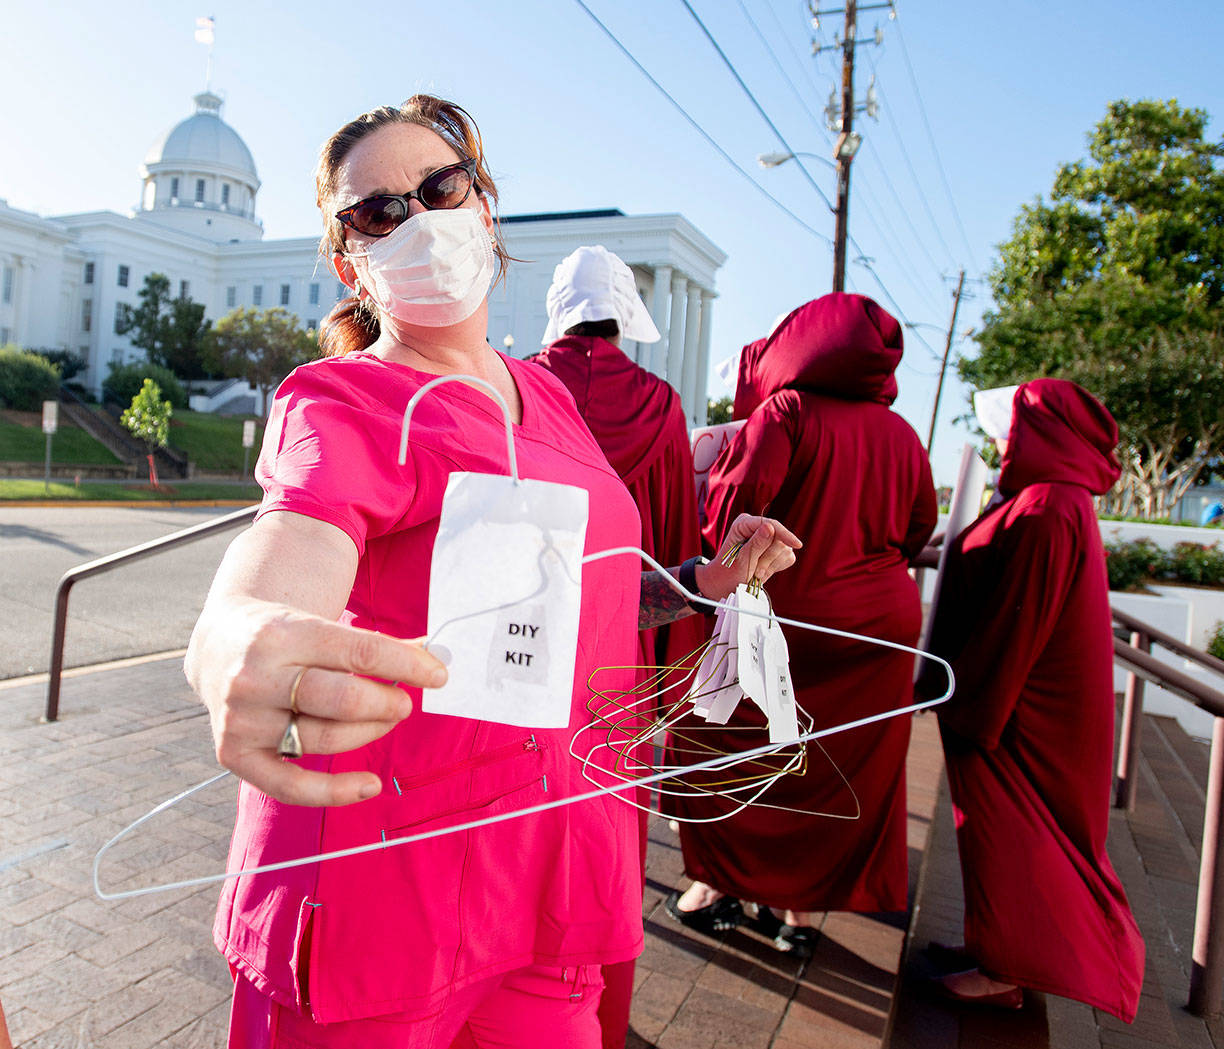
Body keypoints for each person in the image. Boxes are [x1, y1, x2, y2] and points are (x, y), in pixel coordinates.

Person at [182, 93, 802, 1049]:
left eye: (442, 187)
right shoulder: (343, 399)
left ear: (484, 206)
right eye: (379, 211)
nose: (420, 221)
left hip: (548, 871)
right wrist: (237, 637)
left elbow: (573, 593)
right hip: (379, 883)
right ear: (350, 260)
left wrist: (702, 582)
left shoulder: (549, 396)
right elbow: (291, 542)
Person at [662, 292, 937, 958]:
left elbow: (732, 512)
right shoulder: (899, 433)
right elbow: (920, 527)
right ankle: (799, 913)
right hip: (878, 631)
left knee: (724, 744)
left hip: (785, 611)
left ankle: (718, 889)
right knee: (836, 764)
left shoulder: (787, 411)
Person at [923, 378, 1145, 1019]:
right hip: (1024, 704)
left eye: (1009, 431)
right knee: (1002, 836)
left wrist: (974, 712)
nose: (1000, 442)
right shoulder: (1048, 498)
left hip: (1022, 711)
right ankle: (994, 951)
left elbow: (1016, 627)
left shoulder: (1047, 506)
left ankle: (1006, 969)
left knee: (1016, 836)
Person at [530, 245, 705, 1049]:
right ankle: (593, 1016)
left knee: (509, 826)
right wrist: (667, 682)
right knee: (603, 835)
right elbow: (672, 551)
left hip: (520, 642)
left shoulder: (517, 385)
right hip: (615, 653)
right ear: (625, 316)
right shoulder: (663, 407)